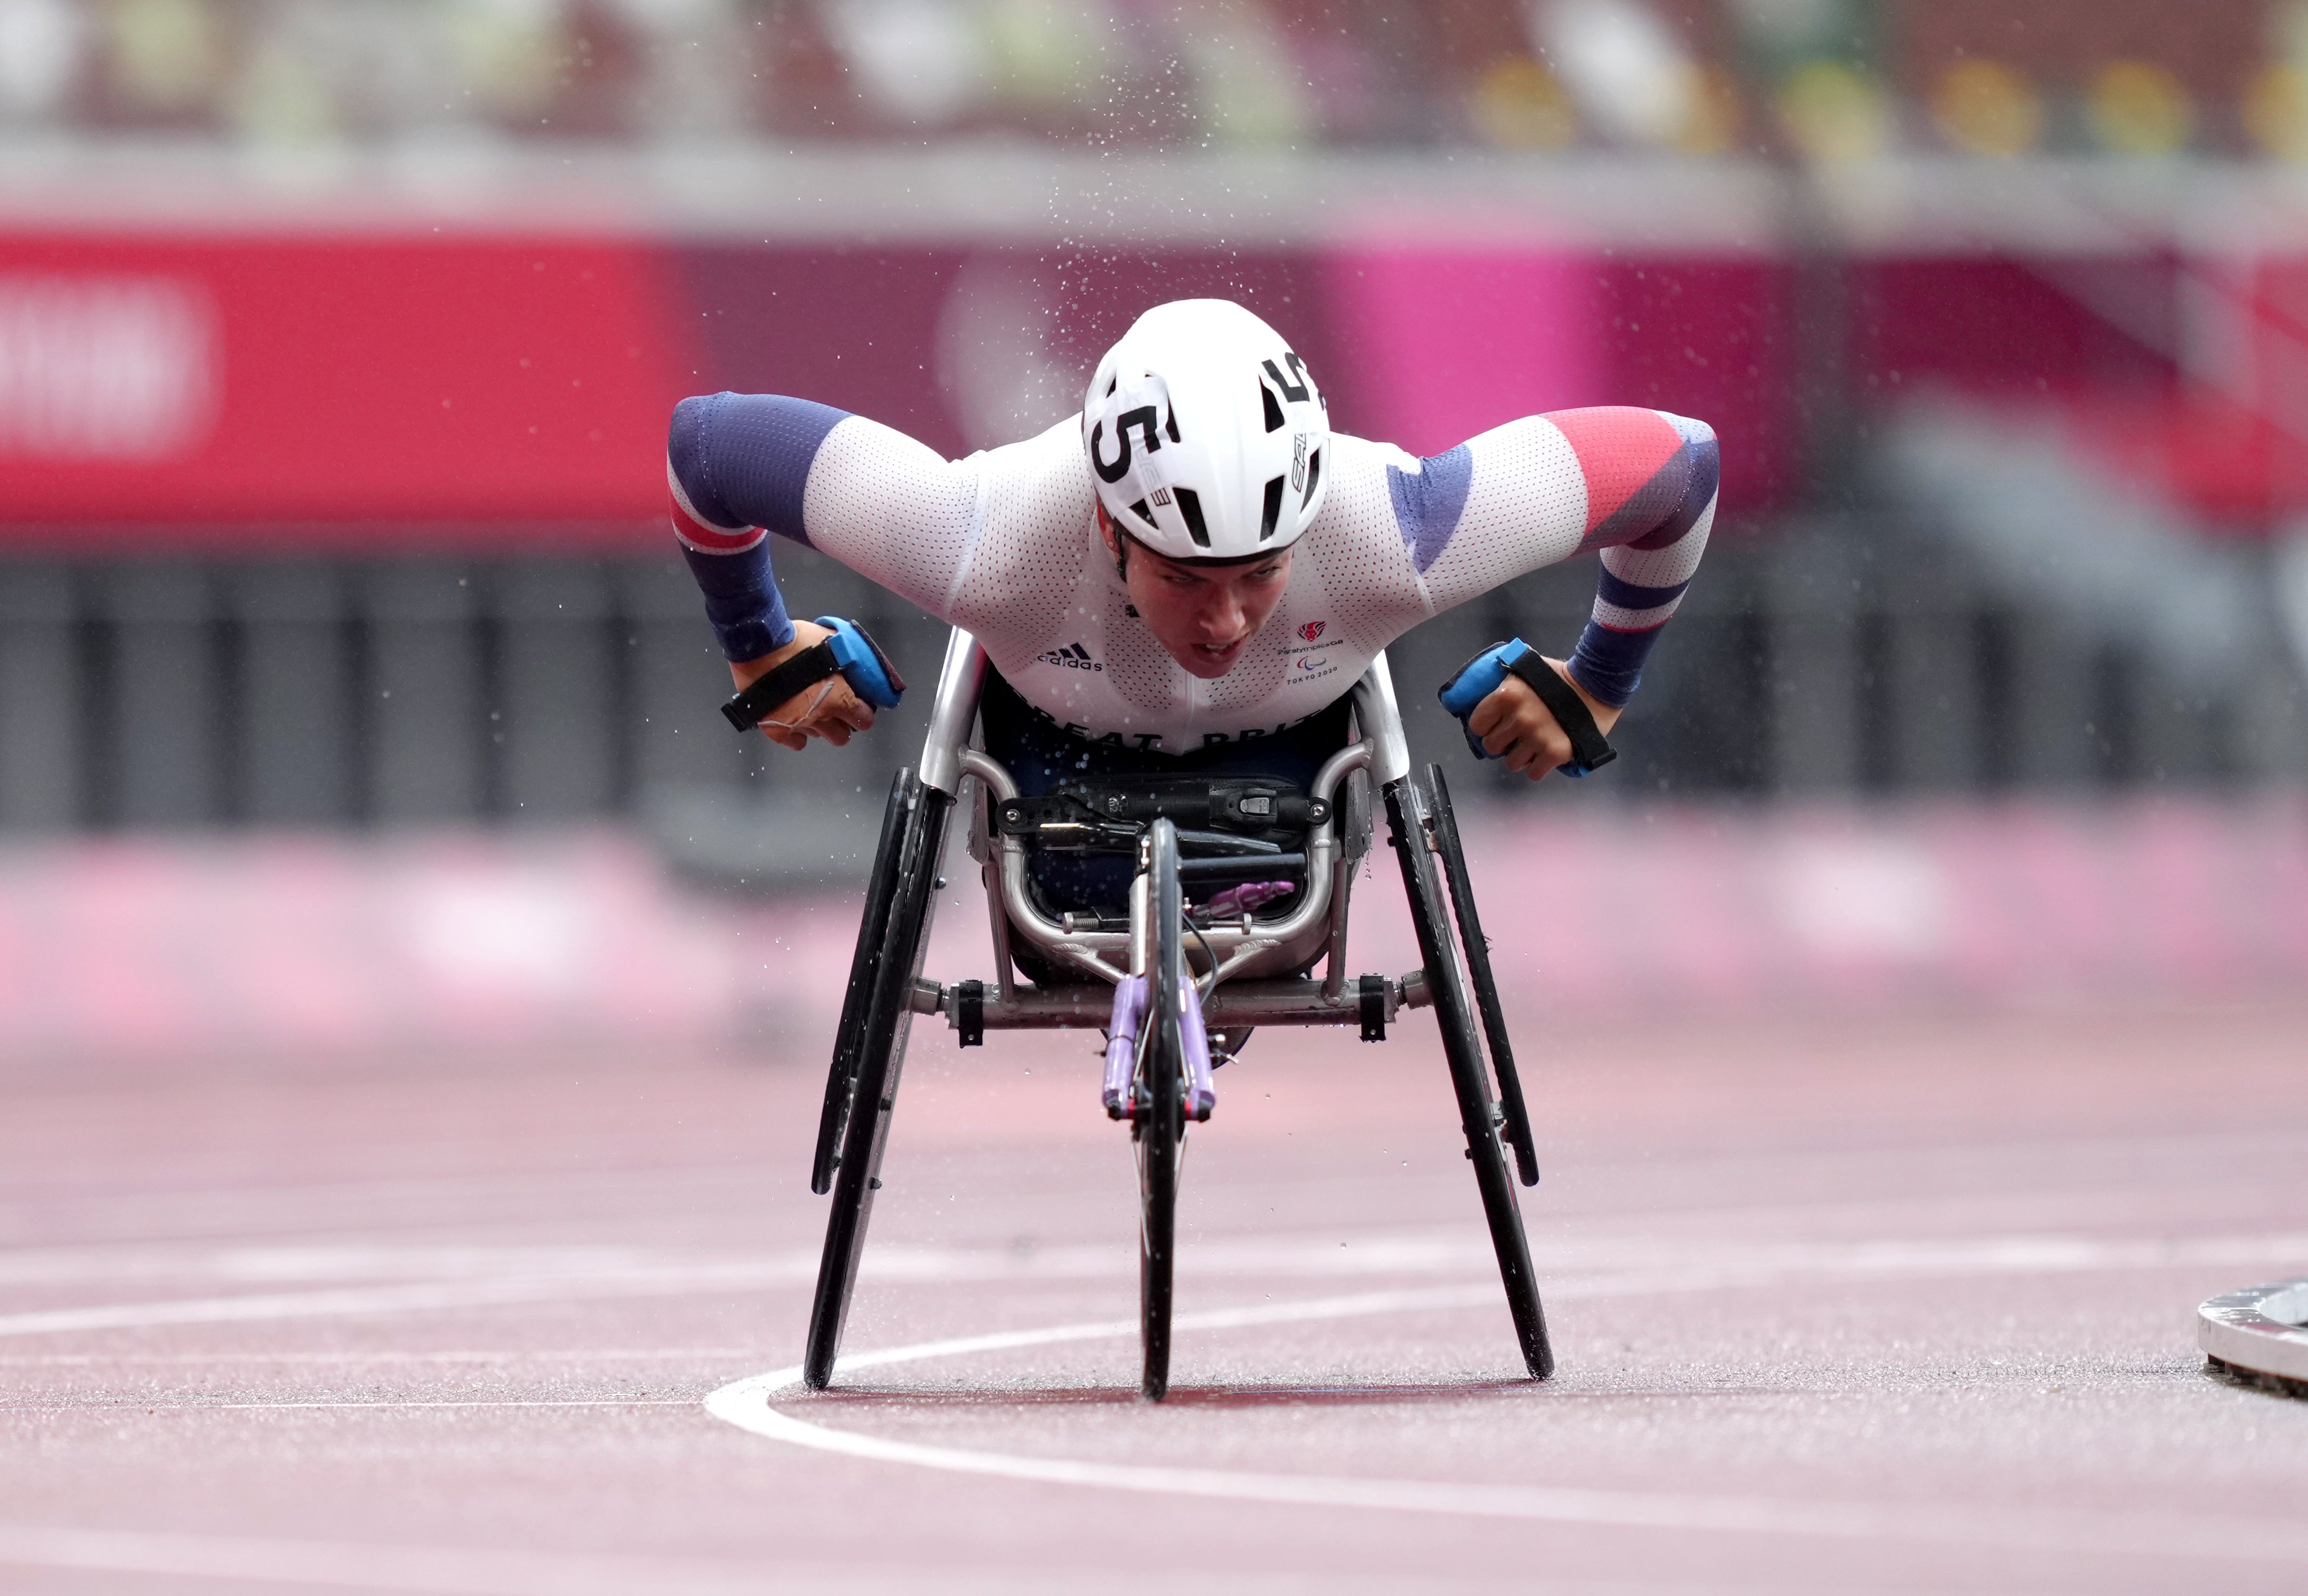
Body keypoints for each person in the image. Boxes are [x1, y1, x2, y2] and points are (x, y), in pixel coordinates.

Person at [667, 298, 1716, 906]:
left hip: (1291, 781)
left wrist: (1596, 683)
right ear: (1108, 526)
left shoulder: (1396, 532)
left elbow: (1680, 467)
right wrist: (756, 646)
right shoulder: (984, 538)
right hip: (1050, 778)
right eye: (1182, 576)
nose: (1222, 624)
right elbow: (705, 446)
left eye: (1260, 571)